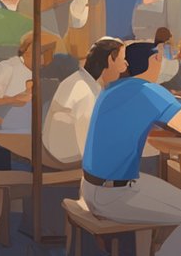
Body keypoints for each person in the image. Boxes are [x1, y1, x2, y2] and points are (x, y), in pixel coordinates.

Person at [81, 42, 181, 256]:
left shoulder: (113, 88)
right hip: (113, 195)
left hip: (91, 187)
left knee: (164, 192)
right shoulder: (150, 90)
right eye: (160, 59)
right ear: (153, 60)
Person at [46, 37, 125, 166]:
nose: (125, 65)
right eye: (123, 59)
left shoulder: (80, 81)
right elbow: (86, 146)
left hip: (60, 152)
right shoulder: (84, 92)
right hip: (69, 160)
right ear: (110, 59)